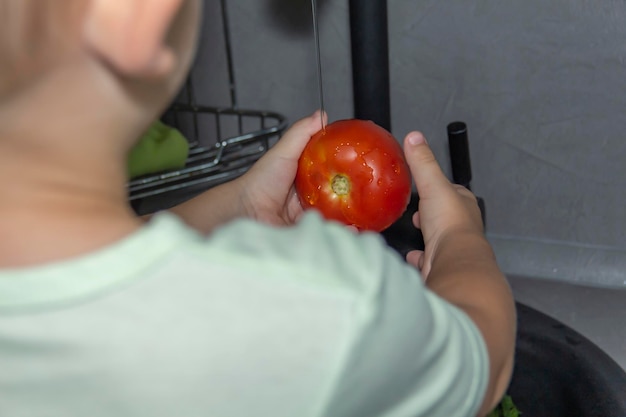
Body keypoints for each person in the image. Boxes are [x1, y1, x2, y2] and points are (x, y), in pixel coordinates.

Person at [0, 1, 516, 416]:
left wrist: (241, 205)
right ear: (132, 17)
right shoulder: (312, 310)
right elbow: (483, 362)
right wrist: (458, 241)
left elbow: (102, 262)